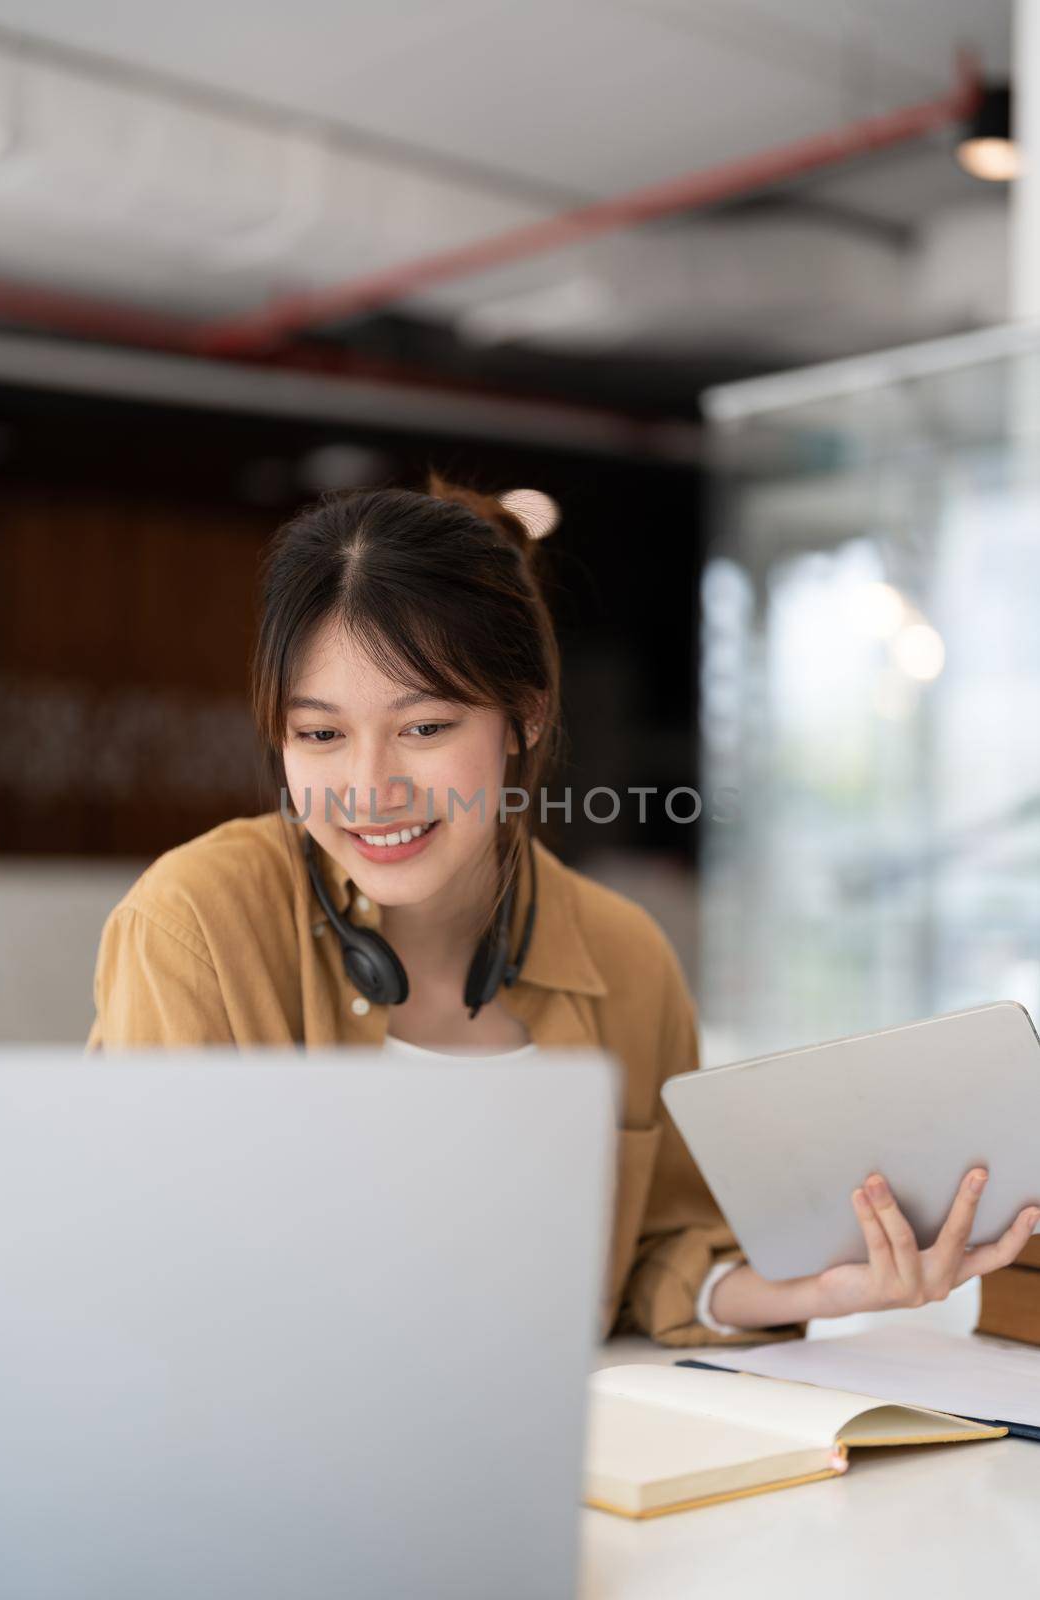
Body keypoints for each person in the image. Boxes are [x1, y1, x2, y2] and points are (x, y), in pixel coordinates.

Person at [86, 474, 1040, 1345]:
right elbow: (139, 1276)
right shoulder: (196, 925)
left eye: (424, 728)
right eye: (320, 734)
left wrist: (818, 1290)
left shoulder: (623, 955)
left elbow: (663, 1251)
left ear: (525, 716)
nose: (368, 788)